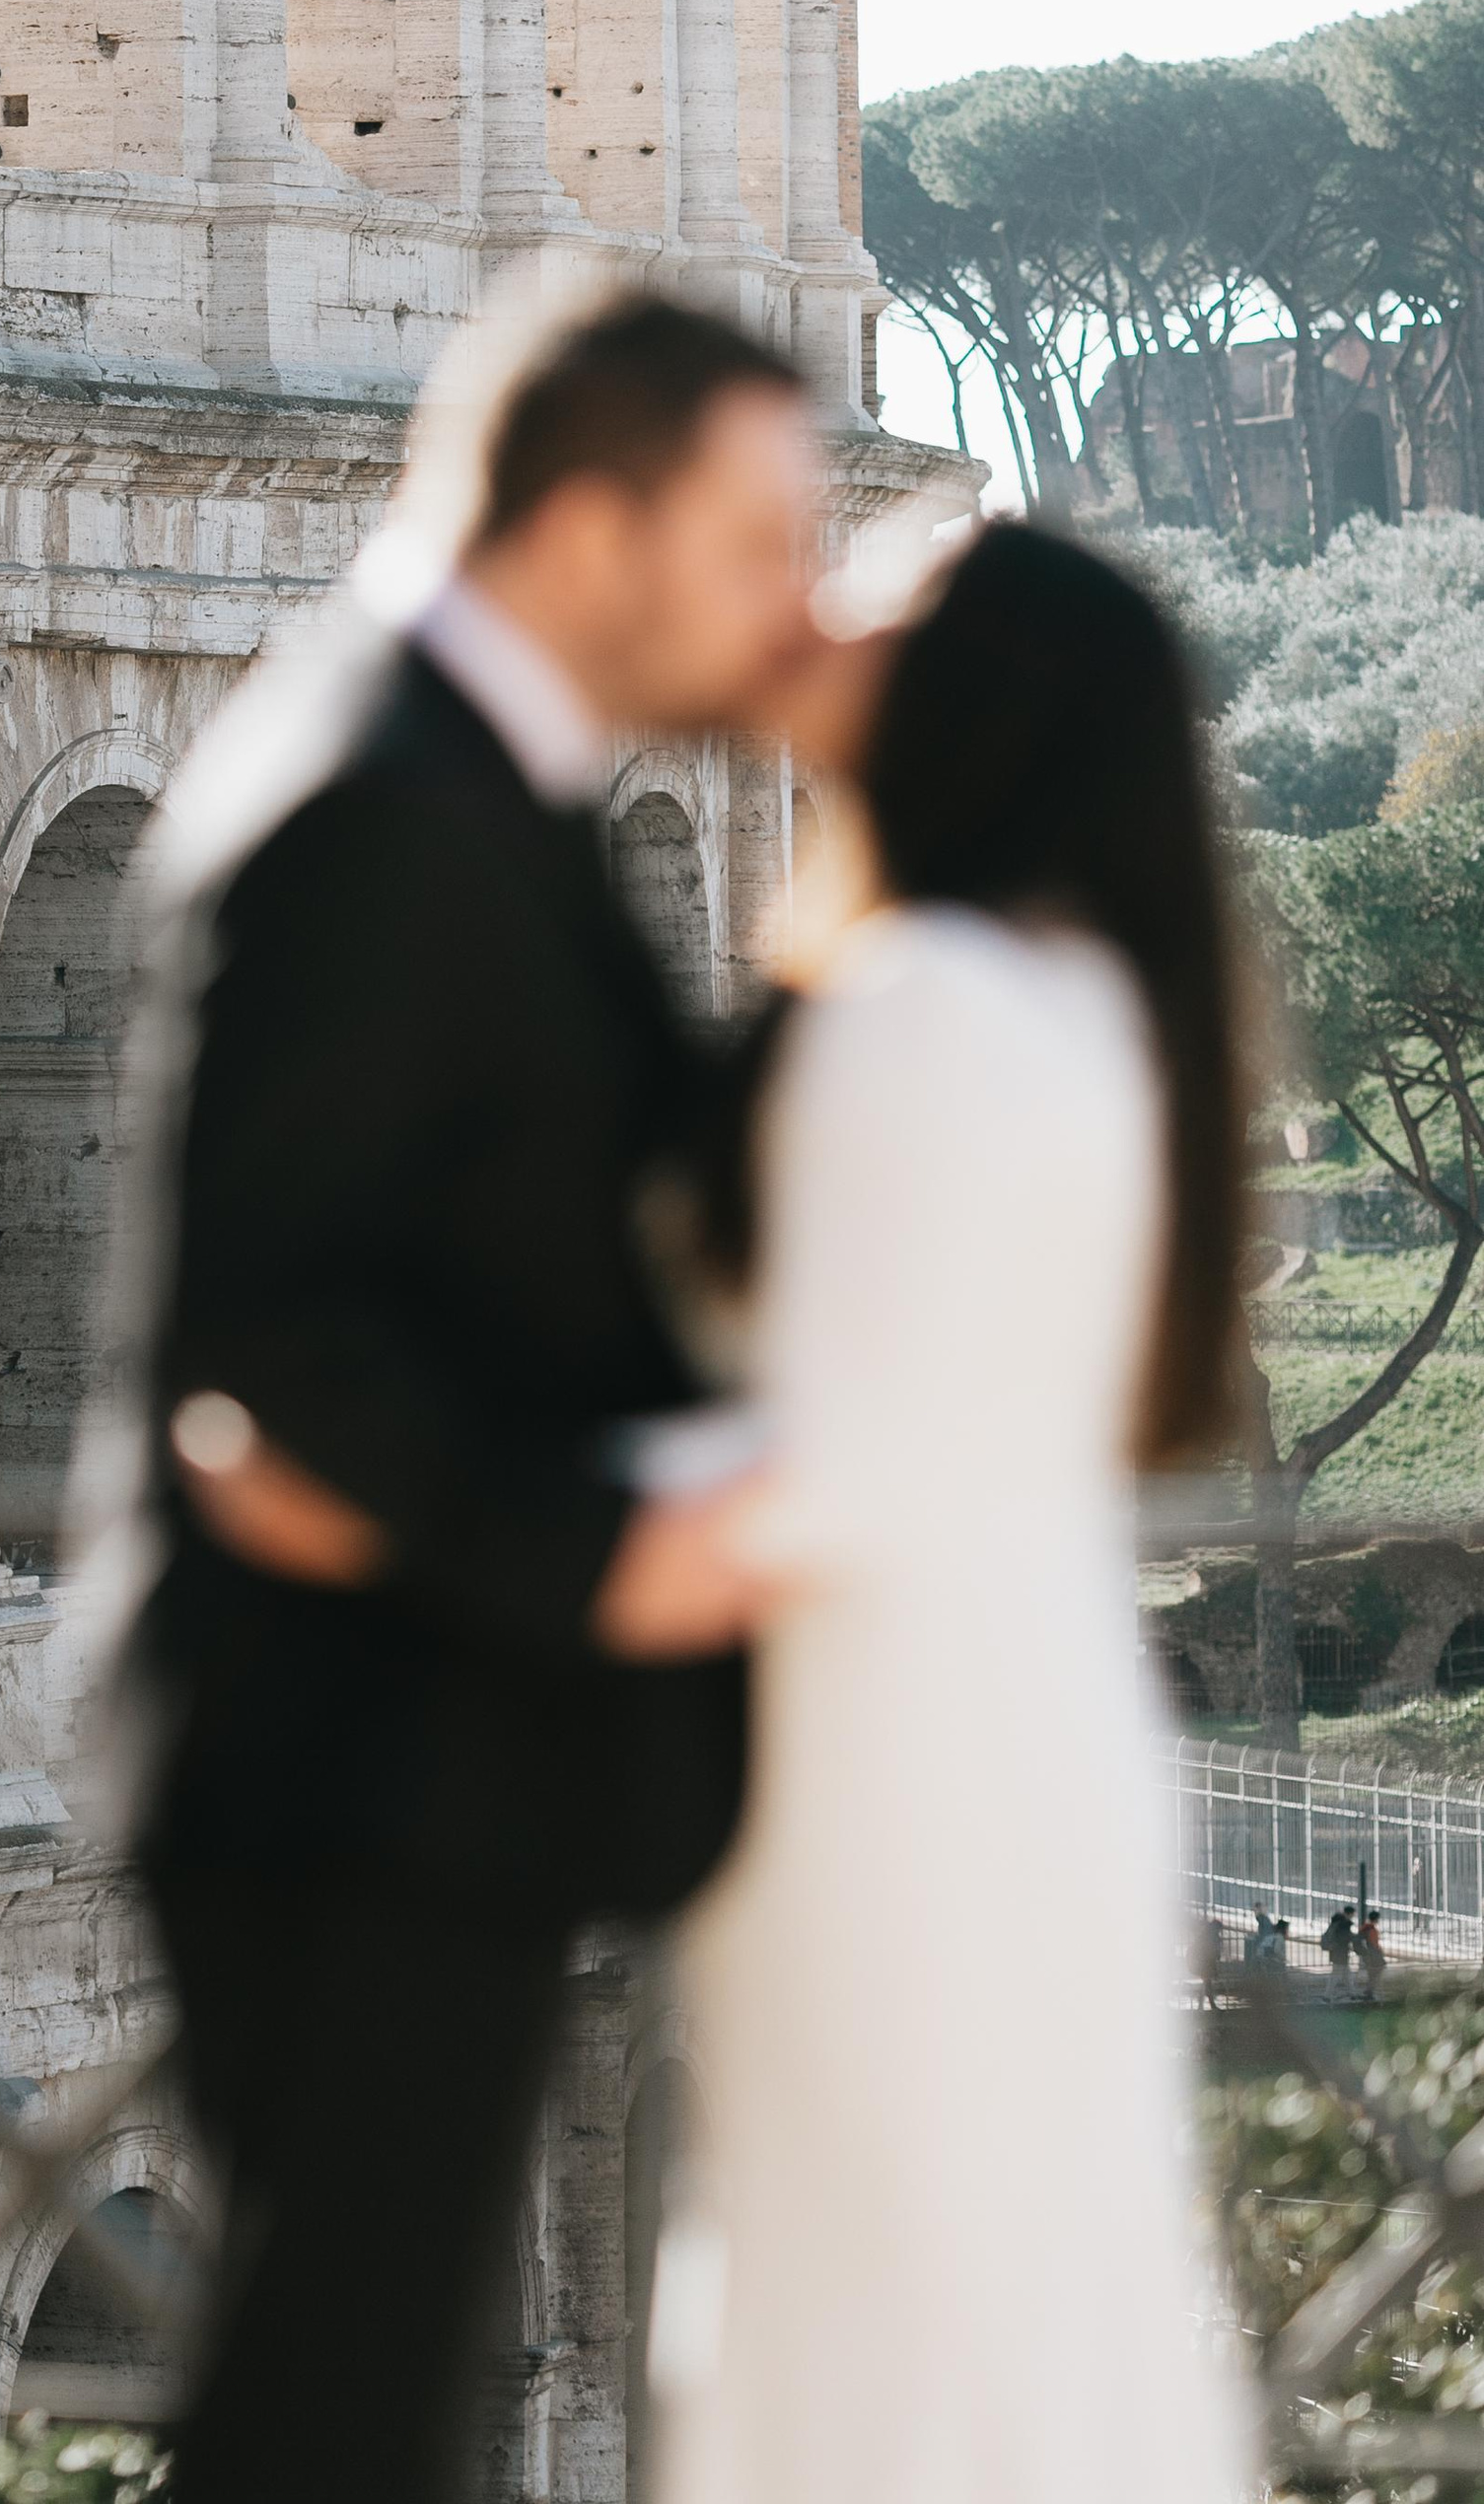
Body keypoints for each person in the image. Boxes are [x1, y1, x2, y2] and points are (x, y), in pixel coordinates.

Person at [95, 289, 818, 2504]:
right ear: (597, 520)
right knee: (330, 2427)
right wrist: (613, 1549)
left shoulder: (454, 773)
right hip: (351, 1758)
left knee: (350, 2419)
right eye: (755, 541)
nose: (786, 603)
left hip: (406, 1738)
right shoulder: (378, 804)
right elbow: (270, 1349)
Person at [656, 521, 1249, 2504]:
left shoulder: (916, 1004)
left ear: (971, 708)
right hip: (1010, 1716)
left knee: (882, 2325)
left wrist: (465, 1535)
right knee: (993, 2314)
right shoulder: (1076, 998)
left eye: (875, 603)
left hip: (892, 1754)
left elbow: (842, 1463)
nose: (812, 601)